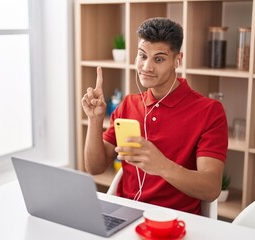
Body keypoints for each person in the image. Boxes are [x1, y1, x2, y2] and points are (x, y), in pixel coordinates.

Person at [81, 17, 228, 215]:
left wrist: (162, 166)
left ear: (178, 60)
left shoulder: (210, 111)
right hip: (126, 215)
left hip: (175, 222)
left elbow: (211, 189)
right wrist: (95, 119)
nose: (146, 67)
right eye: (142, 56)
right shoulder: (128, 104)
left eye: (159, 59)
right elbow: (95, 167)